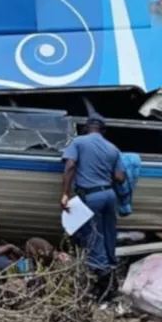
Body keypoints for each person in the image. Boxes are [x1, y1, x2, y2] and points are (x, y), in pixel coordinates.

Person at [60, 116, 126, 280]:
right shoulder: (113, 148)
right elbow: (120, 177)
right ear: (103, 131)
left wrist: (65, 194)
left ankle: (103, 274)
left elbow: (70, 166)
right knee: (109, 232)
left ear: (85, 128)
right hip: (110, 195)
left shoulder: (78, 142)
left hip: (91, 195)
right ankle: (111, 264)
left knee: (92, 233)